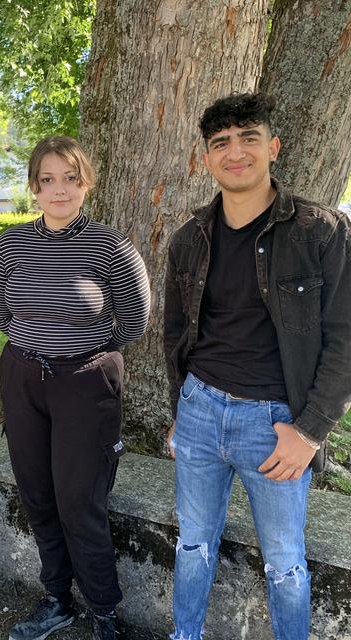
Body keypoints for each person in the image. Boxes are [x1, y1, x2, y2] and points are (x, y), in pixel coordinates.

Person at [164, 93, 351, 640]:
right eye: (221, 142)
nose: (235, 152)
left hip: (276, 427)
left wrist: (311, 433)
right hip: (200, 411)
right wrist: (182, 410)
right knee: (193, 542)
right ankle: (185, 634)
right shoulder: (189, 239)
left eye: (249, 138)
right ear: (206, 158)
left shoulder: (321, 232)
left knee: (285, 562)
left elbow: (345, 338)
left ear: (273, 147)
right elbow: (176, 333)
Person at [0, 136, 151, 640]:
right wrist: (37, 348)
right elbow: (0, 310)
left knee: (80, 499)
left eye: (70, 178)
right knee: (37, 494)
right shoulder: (10, 244)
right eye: (48, 179)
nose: (59, 189)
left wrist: (84, 351)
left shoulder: (110, 246)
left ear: (87, 184)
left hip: (85, 384)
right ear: (34, 186)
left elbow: (135, 320)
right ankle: (57, 599)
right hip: (23, 379)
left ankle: (104, 611)